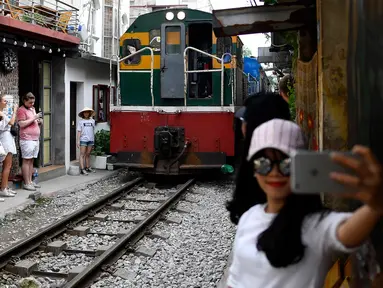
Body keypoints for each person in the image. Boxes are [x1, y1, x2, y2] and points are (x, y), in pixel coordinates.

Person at [226, 119, 383, 288]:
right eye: (263, 164)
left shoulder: (317, 224)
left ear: (301, 167)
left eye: (286, 164)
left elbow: (346, 232)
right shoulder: (249, 216)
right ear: (254, 170)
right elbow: (235, 280)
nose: (275, 172)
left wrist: (375, 206)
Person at [17, 92, 42, 191]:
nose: (32, 104)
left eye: (33, 102)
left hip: (35, 139)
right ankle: (26, 183)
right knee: (26, 160)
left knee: (31, 160)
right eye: (30, 102)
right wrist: (34, 118)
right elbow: (22, 124)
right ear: (24, 101)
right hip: (27, 139)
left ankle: (31, 181)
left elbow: (33, 121)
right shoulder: (21, 110)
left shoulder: (32, 109)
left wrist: (39, 121)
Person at [0, 95, 18, 197]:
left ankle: (5, 187)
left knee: (8, 165)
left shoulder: (3, 112)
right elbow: (11, 122)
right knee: (7, 165)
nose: (6, 102)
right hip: (5, 137)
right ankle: (3, 188)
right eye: (4, 101)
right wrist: (15, 111)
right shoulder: (1, 113)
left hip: (7, 137)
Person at [77, 107, 96, 175]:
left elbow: (93, 131)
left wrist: (94, 140)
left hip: (90, 139)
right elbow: (79, 131)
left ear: (89, 113)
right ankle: (82, 169)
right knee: (82, 154)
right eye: (85, 112)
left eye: (87, 112)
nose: (86, 113)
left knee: (88, 154)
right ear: (83, 113)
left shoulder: (92, 121)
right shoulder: (81, 122)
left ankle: (88, 167)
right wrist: (78, 141)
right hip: (83, 139)